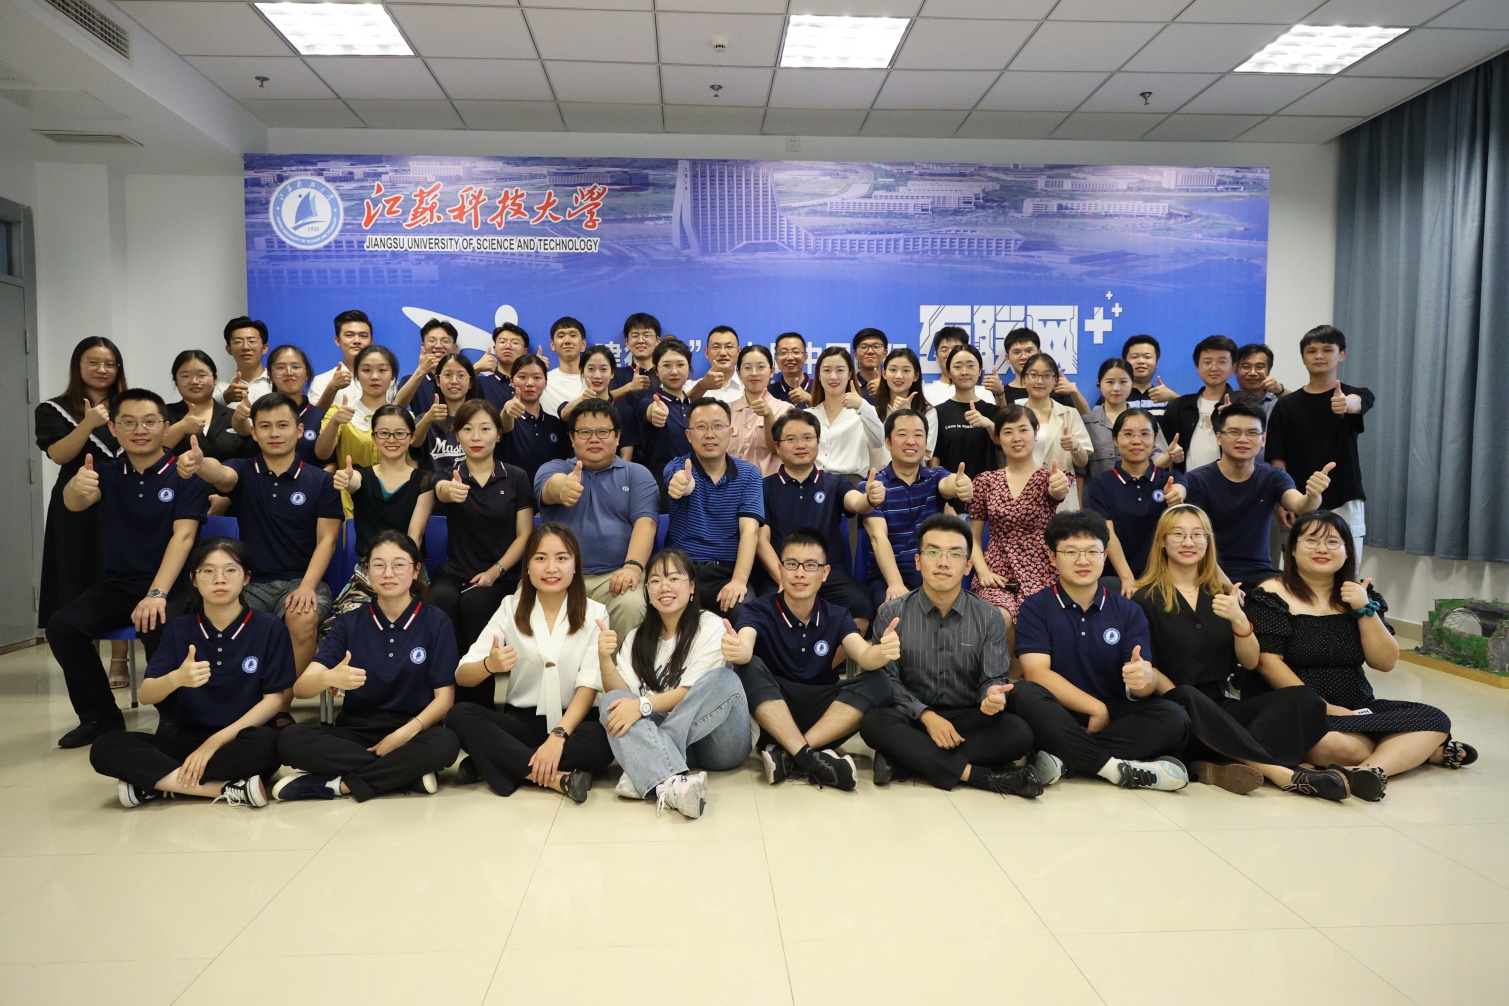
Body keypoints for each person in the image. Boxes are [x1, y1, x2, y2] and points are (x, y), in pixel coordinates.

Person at [1245, 510, 1475, 800]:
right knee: (1340, 747)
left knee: (1435, 718)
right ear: (1292, 548)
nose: (1322, 549)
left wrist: (1364, 610)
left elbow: (1385, 662)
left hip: (1357, 706)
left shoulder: (1361, 593)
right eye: (1311, 540)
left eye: (1332, 542)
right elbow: (1268, 664)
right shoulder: (1270, 593)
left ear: (1346, 551)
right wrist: (1325, 707)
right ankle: (1414, 752)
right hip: (1300, 710)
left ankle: (1362, 773)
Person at [1132, 506, 1348, 800]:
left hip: (1220, 703)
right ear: (1162, 541)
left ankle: (1217, 761)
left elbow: (1249, 661)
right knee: (1187, 696)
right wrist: (1184, 700)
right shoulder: (1144, 597)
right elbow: (1150, 670)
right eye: (1178, 535)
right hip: (1173, 707)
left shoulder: (1223, 592)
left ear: (1208, 541)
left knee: (1304, 698)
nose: (1188, 542)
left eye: (1197, 535)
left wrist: (1240, 621)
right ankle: (1281, 773)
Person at [47, 389, 210, 748]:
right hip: (119, 584)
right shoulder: (107, 472)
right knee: (62, 626)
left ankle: (173, 714)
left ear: (165, 426)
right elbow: (75, 504)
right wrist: (75, 486)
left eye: (149, 422)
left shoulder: (185, 473)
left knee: (158, 622)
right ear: (113, 428)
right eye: (129, 423)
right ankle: (100, 717)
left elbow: (183, 538)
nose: (140, 430)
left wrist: (156, 593)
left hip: (175, 585)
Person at [89, 538, 290, 809]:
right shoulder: (179, 629)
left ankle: (158, 783)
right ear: (194, 579)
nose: (219, 579)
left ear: (246, 578)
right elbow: (146, 695)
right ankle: (220, 788)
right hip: (187, 741)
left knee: (268, 745)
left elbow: (274, 700)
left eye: (231, 570)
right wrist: (176, 679)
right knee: (105, 746)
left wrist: (214, 743)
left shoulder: (269, 627)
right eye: (208, 571)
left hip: (241, 739)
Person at [1007, 509, 1192, 792]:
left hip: (1113, 713)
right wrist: (1094, 707)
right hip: (1057, 711)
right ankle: (1116, 770)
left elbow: (1141, 685)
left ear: (1105, 555)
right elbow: (1037, 673)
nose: (1083, 561)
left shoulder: (1128, 610)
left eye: (1092, 552)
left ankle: (1065, 760)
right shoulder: (1036, 606)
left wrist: (1144, 680)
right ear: (1052, 557)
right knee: (1024, 693)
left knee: (1174, 717)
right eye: (1071, 552)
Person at [860, 514, 1042, 796]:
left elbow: (993, 678)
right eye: (933, 552)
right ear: (918, 561)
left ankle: (906, 761)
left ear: (968, 565)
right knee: (873, 723)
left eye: (954, 554)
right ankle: (981, 776)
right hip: (914, 717)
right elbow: (887, 682)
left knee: (1019, 733)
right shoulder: (892, 613)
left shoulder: (989, 616)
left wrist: (992, 696)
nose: (943, 562)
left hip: (968, 716)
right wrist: (926, 715)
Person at [275, 531, 460, 801]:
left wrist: (404, 734)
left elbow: (445, 700)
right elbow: (301, 689)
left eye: (399, 565)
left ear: (415, 570)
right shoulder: (349, 622)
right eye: (379, 565)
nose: (388, 573)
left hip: (412, 730)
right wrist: (328, 678)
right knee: (290, 739)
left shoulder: (436, 621)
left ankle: (339, 785)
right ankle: (405, 773)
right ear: (367, 572)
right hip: (355, 731)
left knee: (446, 743)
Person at [176, 393, 341, 695]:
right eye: (265, 426)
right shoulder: (242, 469)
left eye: (282, 425)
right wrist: (199, 463)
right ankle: (234, 703)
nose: (274, 433)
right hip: (250, 582)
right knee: (218, 614)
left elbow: (327, 540)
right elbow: (221, 474)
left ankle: (281, 708)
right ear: (253, 432)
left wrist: (307, 587)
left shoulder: (321, 481)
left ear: (299, 430)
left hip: (302, 580)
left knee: (303, 616)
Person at [448, 523, 614, 802]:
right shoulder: (509, 608)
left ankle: (501, 761)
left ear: (575, 565)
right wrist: (489, 665)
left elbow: (588, 687)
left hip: (573, 722)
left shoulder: (595, 613)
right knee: (458, 715)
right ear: (527, 566)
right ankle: (556, 778)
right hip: (522, 723)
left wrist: (558, 736)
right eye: (540, 558)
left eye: (562, 558)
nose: (551, 568)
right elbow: (462, 674)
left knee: (604, 741)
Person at [727, 530, 897, 791]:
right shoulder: (758, 609)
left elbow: (864, 655)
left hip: (825, 715)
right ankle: (811, 760)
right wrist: (736, 651)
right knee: (746, 667)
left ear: (825, 573)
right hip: (775, 712)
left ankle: (791, 754)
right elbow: (745, 648)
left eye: (810, 566)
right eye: (792, 564)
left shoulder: (837, 614)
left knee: (880, 681)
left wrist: (882, 651)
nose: (800, 573)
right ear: (780, 569)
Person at [598, 548, 752, 818]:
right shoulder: (636, 638)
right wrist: (604, 658)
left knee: (725, 680)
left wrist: (643, 706)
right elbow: (622, 695)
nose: (664, 587)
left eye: (673, 579)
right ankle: (671, 783)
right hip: (675, 745)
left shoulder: (711, 625)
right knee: (611, 702)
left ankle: (647, 767)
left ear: (691, 586)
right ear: (647, 591)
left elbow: (689, 694)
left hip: (718, 744)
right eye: (655, 580)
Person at [35, 337, 128, 684]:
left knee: (120, 576)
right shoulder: (53, 408)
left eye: (110, 364)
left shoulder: (129, 405)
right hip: (76, 505)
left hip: (123, 501)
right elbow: (59, 454)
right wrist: (87, 423)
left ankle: (120, 660)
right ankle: (88, 666)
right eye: (93, 362)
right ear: (78, 365)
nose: (102, 369)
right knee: (79, 580)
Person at [430, 399, 533, 706]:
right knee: (439, 601)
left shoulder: (516, 477)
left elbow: (525, 534)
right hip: (457, 572)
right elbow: (441, 489)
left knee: (475, 603)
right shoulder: (449, 474)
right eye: (467, 429)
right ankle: (440, 697)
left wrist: (495, 571)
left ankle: (475, 705)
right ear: (457, 435)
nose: (476, 437)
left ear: (498, 434)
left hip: (502, 575)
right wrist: (450, 491)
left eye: (485, 429)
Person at [536, 398, 658, 637]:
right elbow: (550, 487)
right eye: (584, 432)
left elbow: (646, 524)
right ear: (572, 438)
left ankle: (619, 663)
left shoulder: (637, 474)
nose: (594, 439)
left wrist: (632, 567)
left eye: (603, 432)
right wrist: (563, 488)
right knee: (522, 603)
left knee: (632, 605)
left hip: (615, 576)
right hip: (557, 574)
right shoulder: (554, 468)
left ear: (617, 436)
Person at [1184, 402, 1332, 585]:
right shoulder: (1196, 480)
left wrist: (1313, 495)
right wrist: (1227, 586)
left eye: (1252, 433)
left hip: (1261, 573)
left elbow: (1301, 505)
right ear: (1219, 438)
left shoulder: (1273, 476)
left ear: (1263, 439)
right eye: (1234, 432)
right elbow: (1193, 539)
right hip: (1208, 571)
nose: (1243, 439)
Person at [756, 411, 877, 628]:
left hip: (827, 573)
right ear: (777, 446)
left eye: (808, 438)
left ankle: (826, 653)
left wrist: (869, 498)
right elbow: (761, 540)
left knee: (861, 609)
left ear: (817, 443)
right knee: (769, 619)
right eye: (791, 439)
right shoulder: (763, 487)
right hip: (781, 574)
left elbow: (856, 503)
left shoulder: (834, 483)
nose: (800, 445)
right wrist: (783, 578)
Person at [1264, 325, 1375, 559]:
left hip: (1345, 496)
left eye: (1327, 350)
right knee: (1299, 571)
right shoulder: (1285, 405)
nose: (1319, 356)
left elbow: (1357, 403)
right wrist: (1283, 500)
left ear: (1341, 354)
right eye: (1311, 351)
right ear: (1303, 357)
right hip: (1300, 500)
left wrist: (1346, 404)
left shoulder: (1354, 394)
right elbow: (1278, 458)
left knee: (1346, 570)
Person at [968, 406, 1073, 641]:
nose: (1016, 438)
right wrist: (983, 571)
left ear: (1035, 433)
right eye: (1008, 432)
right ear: (998, 438)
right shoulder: (986, 481)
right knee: (999, 617)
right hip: (996, 570)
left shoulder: (1049, 478)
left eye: (1023, 430)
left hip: (1042, 569)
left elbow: (1058, 491)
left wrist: (1059, 487)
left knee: (1036, 618)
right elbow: (972, 537)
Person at [328, 407, 436, 628]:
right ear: (374, 437)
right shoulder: (361, 475)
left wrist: (402, 569)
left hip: (408, 567)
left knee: (414, 623)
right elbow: (353, 481)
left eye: (400, 433)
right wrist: (345, 478)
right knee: (350, 625)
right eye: (384, 433)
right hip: (369, 569)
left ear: (412, 437)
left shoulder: (424, 481)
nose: (391, 440)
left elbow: (415, 535)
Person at [664, 398, 765, 618]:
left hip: (727, 574)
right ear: (689, 435)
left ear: (731, 431)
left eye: (718, 426)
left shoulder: (749, 474)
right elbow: (682, 482)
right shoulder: (677, 466)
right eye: (701, 427)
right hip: (682, 572)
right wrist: (682, 483)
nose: (710, 434)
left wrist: (738, 581)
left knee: (747, 616)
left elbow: (749, 531)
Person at [862, 409, 972, 608]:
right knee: (893, 612)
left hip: (932, 570)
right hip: (889, 574)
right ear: (888, 442)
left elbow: (947, 485)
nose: (911, 441)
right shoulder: (873, 486)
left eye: (918, 435)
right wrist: (895, 583)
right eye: (902, 434)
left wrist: (960, 485)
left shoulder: (935, 476)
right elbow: (878, 538)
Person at [1085, 408, 1189, 595]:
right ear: (1115, 439)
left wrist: (1177, 495)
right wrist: (1127, 578)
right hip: (1117, 577)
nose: (1136, 441)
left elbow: (1180, 488)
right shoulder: (1101, 484)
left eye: (1144, 434)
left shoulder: (1170, 479)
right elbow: (1107, 533)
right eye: (1128, 434)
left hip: (1165, 576)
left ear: (1155, 439)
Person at [314, 345, 401, 511]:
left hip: (395, 504)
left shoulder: (403, 417)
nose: (374, 376)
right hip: (350, 505)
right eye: (366, 370)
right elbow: (321, 453)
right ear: (356, 375)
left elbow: (411, 465)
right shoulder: (339, 412)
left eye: (382, 370)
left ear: (392, 376)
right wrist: (335, 422)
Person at [1082, 357, 1176, 481]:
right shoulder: (1086, 423)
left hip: (1140, 489)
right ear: (1099, 384)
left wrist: (1170, 456)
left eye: (1123, 382)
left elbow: (1157, 461)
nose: (1116, 388)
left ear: (1132, 383)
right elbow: (1080, 471)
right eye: (1110, 382)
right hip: (1100, 492)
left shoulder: (1146, 420)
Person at [232, 345, 327, 466]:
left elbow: (330, 463)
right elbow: (244, 429)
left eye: (295, 367)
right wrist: (239, 417)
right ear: (270, 375)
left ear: (307, 374)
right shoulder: (261, 411)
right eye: (281, 367)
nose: (289, 372)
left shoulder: (320, 416)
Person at [1019, 352, 1091, 509]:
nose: (1039, 381)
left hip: (1061, 493)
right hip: (1023, 493)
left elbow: (1082, 461)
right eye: (1033, 375)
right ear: (1024, 379)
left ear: (1055, 381)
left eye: (1046, 376)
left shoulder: (1069, 414)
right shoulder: (1014, 415)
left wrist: (1075, 447)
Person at [805, 346, 883, 484]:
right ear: (819, 375)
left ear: (849, 374)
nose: (833, 377)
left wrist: (862, 406)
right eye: (827, 370)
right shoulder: (807, 416)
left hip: (851, 484)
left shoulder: (863, 412)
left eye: (840, 370)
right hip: (813, 483)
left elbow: (878, 441)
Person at [1161, 335, 1238, 473]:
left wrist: (1236, 416)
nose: (1214, 368)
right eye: (1207, 362)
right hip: (1187, 483)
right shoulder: (1179, 406)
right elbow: (1167, 448)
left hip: (1231, 482)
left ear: (1233, 366)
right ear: (1197, 367)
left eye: (1222, 362)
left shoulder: (1244, 403)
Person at [497, 352, 571, 481]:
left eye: (537, 377)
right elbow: (503, 425)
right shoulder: (501, 416)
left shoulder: (555, 424)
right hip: (512, 492)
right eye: (522, 377)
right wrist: (506, 413)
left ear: (545, 382)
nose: (530, 383)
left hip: (549, 491)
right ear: (512, 381)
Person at [162, 350, 248, 461]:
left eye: (202, 375)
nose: (194, 381)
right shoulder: (162, 414)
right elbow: (150, 454)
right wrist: (181, 428)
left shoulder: (235, 417)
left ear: (215, 379)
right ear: (175, 381)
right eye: (185, 376)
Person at [931, 343, 1002, 480]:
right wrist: (940, 486)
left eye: (970, 366)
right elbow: (934, 458)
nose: (964, 372)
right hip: (950, 487)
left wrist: (988, 424)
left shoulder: (993, 411)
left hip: (987, 489)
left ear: (980, 371)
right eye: (957, 367)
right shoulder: (939, 412)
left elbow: (1004, 445)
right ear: (949, 372)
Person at [639, 338, 696, 495]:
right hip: (660, 487)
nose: (674, 371)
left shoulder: (696, 407)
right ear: (656, 370)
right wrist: (656, 413)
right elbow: (651, 411)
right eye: (666, 365)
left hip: (696, 485)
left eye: (680, 365)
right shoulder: (648, 401)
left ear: (689, 367)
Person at [410, 352, 478, 476]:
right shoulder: (426, 418)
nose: (454, 381)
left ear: (470, 383)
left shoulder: (480, 418)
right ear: (437, 380)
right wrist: (427, 420)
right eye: (447, 375)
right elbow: (413, 443)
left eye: (461, 375)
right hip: (433, 486)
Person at [727, 344, 791, 476]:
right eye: (747, 368)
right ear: (739, 373)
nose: (754, 373)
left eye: (761, 367)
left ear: (771, 371)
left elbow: (780, 449)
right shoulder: (726, 411)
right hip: (731, 486)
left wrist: (768, 416)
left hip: (768, 485)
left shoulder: (786, 410)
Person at [992, 328, 1090, 414]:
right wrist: (1000, 394)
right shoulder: (1001, 392)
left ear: (1039, 353)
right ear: (1007, 358)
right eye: (1017, 352)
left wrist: (1074, 392)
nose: (1024, 357)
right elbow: (999, 425)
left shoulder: (1056, 388)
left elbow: (1086, 417)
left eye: (1029, 351)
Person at [311, 309, 392, 408]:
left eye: (363, 336)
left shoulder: (387, 380)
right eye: (349, 335)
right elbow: (315, 416)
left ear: (371, 341)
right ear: (337, 340)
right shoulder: (323, 381)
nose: (357, 341)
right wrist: (332, 388)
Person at [871, 347, 936, 467]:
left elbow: (925, 453)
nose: (898, 376)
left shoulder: (928, 412)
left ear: (916, 376)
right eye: (893, 370)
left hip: (913, 476)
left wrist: (907, 414)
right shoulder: (873, 412)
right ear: (884, 374)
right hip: (878, 475)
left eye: (906, 371)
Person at [396, 318, 461, 417]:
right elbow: (396, 409)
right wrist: (420, 371)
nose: (438, 346)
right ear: (423, 347)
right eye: (432, 340)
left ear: (454, 348)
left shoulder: (462, 380)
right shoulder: (410, 380)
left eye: (445, 341)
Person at [214, 317, 273, 407]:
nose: (245, 347)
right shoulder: (221, 389)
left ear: (264, 348)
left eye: (252, 341)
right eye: (237, 342)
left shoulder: (276, 383)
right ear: (228, 349)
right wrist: (225, 398)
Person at [923, 326, 984, 407]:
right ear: (936, 356)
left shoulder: (984, 393)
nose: (950, 354)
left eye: (956, 349)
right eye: (944, 350)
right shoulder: (925, 394)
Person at [539, 316, 587, 418]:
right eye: (561, 336)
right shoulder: (542, 381)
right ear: (552, 345)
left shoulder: (595, 380)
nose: (567, 341)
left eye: (573, 335)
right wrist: (532, 370)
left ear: (583, 344)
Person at [557, 343, 618, 422]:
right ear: (582, 372)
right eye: (591, 369)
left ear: (612, 373)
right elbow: (564, 414)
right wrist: (583, 399)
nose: (597, 376)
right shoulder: (573, 406)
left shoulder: (623, 410)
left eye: (603, 369)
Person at [610, 312, 660, 405]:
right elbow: (604, 400)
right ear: (627, 342)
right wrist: (629, 387)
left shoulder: (664, 373)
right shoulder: (617, 374)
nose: (640, 340)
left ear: (657, 341)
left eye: (647, 335)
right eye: (635, 336)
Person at [1121, 334, 1176, 414]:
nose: (1141, 361)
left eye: (1147, 357)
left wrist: (1173, 397)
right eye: (1134, 357)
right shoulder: (1116, 395)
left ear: (1156, 363)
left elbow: (1192, 417)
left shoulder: (1165, 398)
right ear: (1125, 362)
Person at [477, 322, 528, 409]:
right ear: (495, 348)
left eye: (515, 342)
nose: (508, 346)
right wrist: (476, 368)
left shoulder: (531, 383)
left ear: (525, 351)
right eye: (502, 342)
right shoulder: (481, 383)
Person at [690, 325, 743, 403]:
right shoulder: (691, 387)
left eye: (729, 347)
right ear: (706, 353)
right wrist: (702, 387)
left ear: (739, 352)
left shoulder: (749, 387)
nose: (723, 353)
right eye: (716, 347)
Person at [770, 331, 813, 406]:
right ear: (776, 359)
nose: (790, 357)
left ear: (805, 357)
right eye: (783, 352)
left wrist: (810, 399)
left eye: (796, 352)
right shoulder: (769, 393)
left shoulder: (820, 388)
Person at [852, 327, 888, 400]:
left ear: (885, 353)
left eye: (876, 346)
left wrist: (884, 389)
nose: (870, 351)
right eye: (864, 347)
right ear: (855, 354)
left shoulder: (892, 385)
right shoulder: (850, 385)